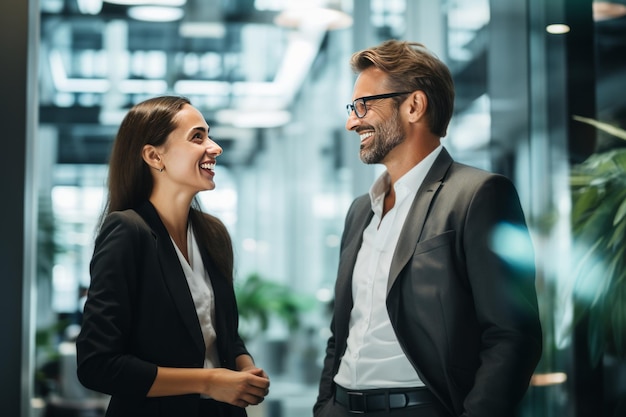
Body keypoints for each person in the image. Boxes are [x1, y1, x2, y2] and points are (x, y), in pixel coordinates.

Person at [313, 40, 542, 417]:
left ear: (414, 106)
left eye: (363, 105)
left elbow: (513, 335)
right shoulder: (360, 211)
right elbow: (341, 331)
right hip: (342, 407)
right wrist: (324, 406)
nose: (352, 121)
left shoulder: (479, 195)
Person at [76, 96, 270, 417]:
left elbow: (225, 336)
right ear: (154, 156)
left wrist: (244, 368)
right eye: (198, 136)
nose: (215, 147)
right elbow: (97, 364)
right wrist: (207, 381)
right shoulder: (128, 231)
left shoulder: (213, 233)